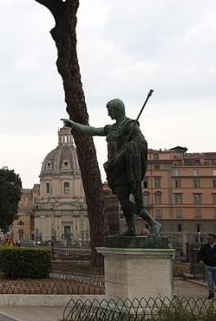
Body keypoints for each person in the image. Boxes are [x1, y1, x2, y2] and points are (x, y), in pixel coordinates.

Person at [62, 99, 162, 237]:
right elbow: (92, 130)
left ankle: (152, 222)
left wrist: (128, 148)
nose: (108, 114)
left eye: (110, 110)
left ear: (118, 110)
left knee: (123, 199)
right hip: (115, 166)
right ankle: (132, 228)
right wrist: (74, 125)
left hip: (125, 166)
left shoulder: (130, 125)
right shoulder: (111, 128)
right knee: (123, 198)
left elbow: (141, 142)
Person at [198, 234, 216, 300]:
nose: (208, 240)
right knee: (210, 281)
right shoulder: (205, 247)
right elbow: (200, 254)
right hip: (208, 266)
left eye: (209, 238)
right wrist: (200, 260)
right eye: (207, 239)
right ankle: (211, 293)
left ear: (214, 239)